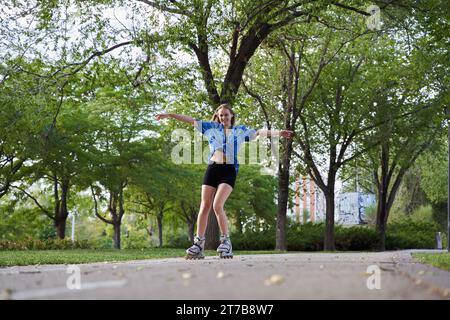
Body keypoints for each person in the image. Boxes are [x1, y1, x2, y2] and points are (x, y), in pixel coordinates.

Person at [156, 103, 293, 259]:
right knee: (205, 205)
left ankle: (226, 242)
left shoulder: (240, 131)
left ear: (232, 115)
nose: (224, 118)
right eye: (221, 115)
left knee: (217, 205)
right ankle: (198, 244)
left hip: (229, 171)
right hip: (212, 169)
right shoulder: (210, 127)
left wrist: (278, 133)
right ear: (218, 116)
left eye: (226, 114)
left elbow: (260, 132)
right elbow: (190, 120)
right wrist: (170, 115)